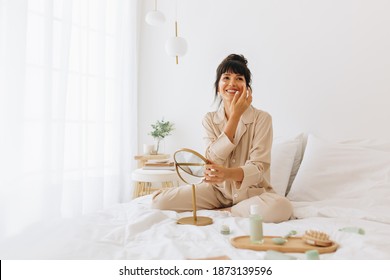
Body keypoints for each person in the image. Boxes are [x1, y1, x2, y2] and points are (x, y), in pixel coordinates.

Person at [152, 54, 293, 222]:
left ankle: (231, 210)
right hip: (216, 192)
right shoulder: (210, 119)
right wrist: (234, 118)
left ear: (247, 89)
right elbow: (212, 158)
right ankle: (232, 209)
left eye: (239, 78)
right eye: (226, 78)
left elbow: (258, 168)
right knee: (158, 201)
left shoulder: (262, 119)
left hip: (252, 194)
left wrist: (228, 174)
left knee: (282, 206)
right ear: (218, 87)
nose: (232, 83)